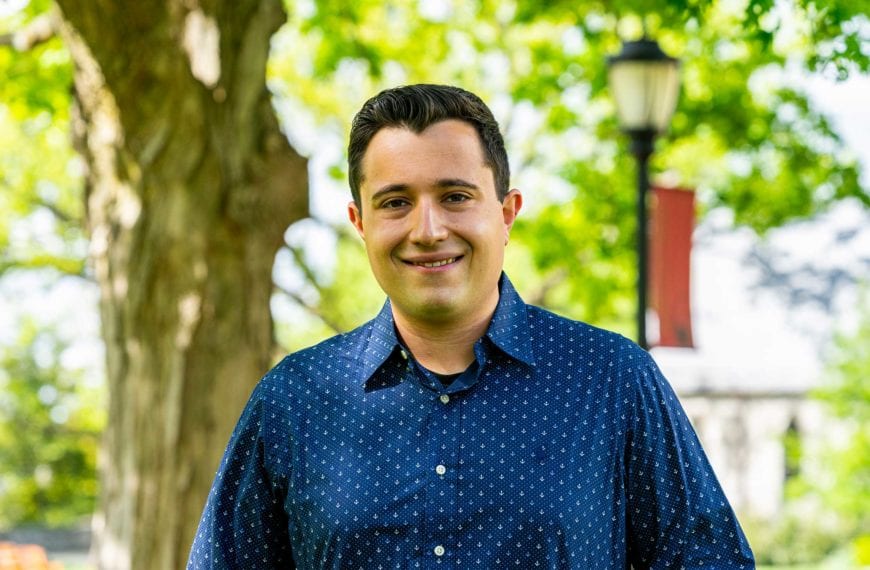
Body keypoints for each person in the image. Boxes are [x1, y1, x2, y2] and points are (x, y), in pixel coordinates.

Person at [187, 84, 755, 568]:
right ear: (360, 223)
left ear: (505, 214)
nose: (428, 229)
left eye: (455, 196)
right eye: (395, 202)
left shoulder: (612, 380)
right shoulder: (294, 399)